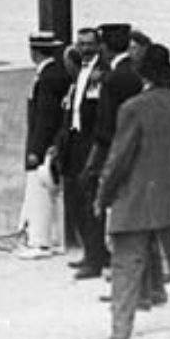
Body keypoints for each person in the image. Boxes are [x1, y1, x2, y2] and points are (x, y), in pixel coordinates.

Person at [95, 43, 170, 339]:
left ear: (142, 73)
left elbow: (119, 159)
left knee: (126, 265)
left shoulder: (132, 109)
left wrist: (103, 196)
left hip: (137, 196)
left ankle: (121, 330)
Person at [75, 23, 142, 280]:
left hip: (111, 148)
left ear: (104, 46)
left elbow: (107, 122)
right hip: (128, 146)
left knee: (95, 200)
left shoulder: (114, 78)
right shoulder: (131, 72)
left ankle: (95, 259)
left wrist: (95, 158)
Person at [17, 30, 69, 259]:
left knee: (39, 194)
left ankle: (39, 241)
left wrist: (36, 150)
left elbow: (44, 118)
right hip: (55, 143)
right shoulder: (58, 74)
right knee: (54, 194)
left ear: (34, 52)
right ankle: (55, 239)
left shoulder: (46, 78)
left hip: (43, 146)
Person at [59, 27, 104, 263]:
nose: (85, 49)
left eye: (89, 44)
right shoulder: (79, 73)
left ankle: (95, 254)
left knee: (89, 199)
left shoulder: (101, 72)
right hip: (74, 140)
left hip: (90, 141)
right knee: (75, 198)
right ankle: (90, 249)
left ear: (97, 45)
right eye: (81, 44)